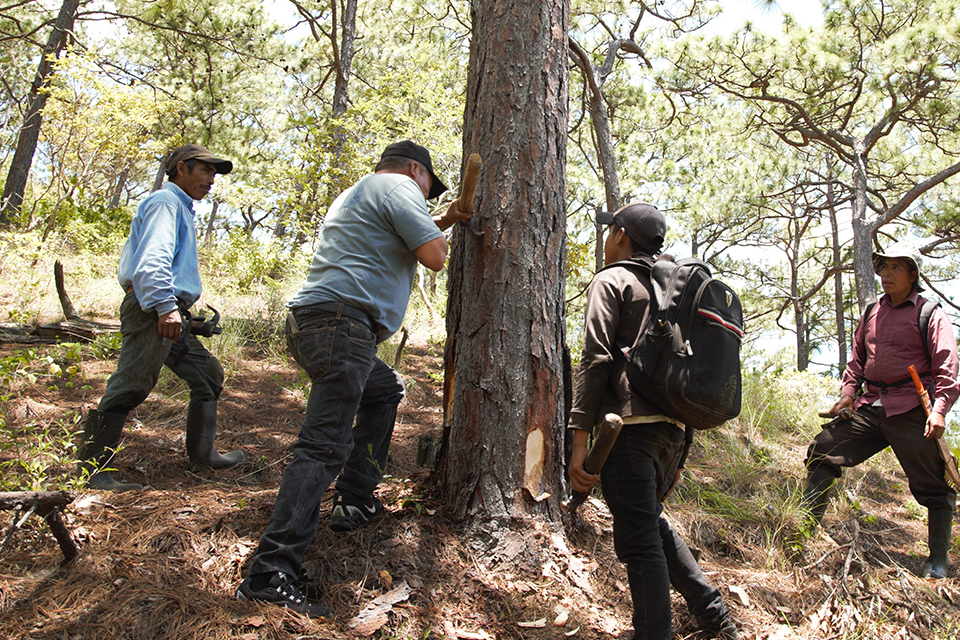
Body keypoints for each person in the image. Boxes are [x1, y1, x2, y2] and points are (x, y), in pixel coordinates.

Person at [237, 141, 471, 617]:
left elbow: (408, 236)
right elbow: (433, 256)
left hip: (321, 324)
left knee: (385, 390)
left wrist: (443, 219)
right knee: (322, 445)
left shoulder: (360, 192)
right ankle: (270, 573)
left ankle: (355, 499)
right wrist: (442, 230)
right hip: (343, 327)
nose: (426, 197)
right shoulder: (399, 187)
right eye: (429, 185)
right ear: (414, 170)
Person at [568, 203, 738, 640]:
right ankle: (712, 612)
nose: (607, 240)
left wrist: (578, 441)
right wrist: (682, 452)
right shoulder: (673, 290)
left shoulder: (613, 280)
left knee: (640, 543)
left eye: (610, 232)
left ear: (621, 234)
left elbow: (597, 359)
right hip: (672, 434)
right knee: (651, 525)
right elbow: (692, 375)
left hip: (627, 433)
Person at [77, 144, 245, 492]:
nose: (212, 179)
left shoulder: (180, 208)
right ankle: (93, 472)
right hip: (152, 310)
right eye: (206, 170)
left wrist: (181, 313)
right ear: (181, 168)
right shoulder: (165, 204)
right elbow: (151, 262)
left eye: (215, 174)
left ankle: (203, 455)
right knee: (131, 384)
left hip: (169, 312)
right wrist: (166, 307)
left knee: (208, 374)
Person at [804, 241, 958, 579]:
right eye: (883, 267)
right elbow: (858, 358)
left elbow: (947, 366)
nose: (886, 274)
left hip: (912, 410)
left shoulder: (930, 313)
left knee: (933, 485)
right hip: (870, 406)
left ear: (913, 274)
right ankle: (804, 530)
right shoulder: (873, 311)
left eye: (895, 268)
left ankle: (937, 559)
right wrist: (847, 393)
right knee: (823, 449)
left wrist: (940, 410)